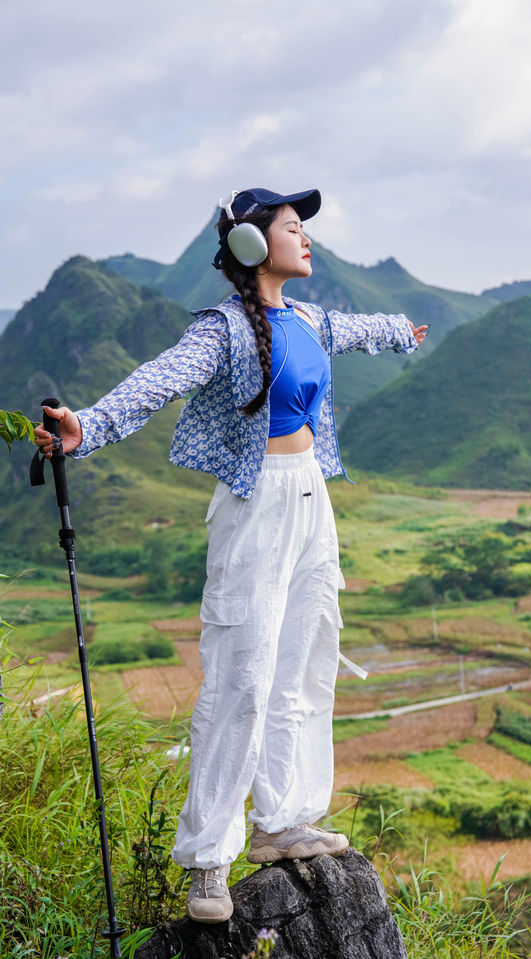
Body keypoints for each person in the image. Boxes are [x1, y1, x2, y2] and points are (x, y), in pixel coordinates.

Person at [34, 187, 429, 923]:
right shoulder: (222, 331)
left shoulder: (307, 316)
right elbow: (159, 378)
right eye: (291, 226)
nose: (306, 237)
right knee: (241, 674)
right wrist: (88, 425)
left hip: (313, 495)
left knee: (308, 654)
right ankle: (209, 859)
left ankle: (284, 820)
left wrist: (403, 332)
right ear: (252, 247)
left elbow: (354, 328)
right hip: (257, 504)